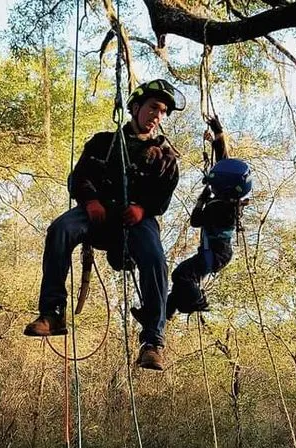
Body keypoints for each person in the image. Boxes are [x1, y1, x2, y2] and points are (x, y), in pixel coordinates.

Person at [23, 79, 185, 371]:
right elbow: (80, 177)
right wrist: (90, 200)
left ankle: (153, 341)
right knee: (60, 230)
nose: (157, 116)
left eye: (163, 112)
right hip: (97, 211)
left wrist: (142, 208)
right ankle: (53, 312)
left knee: (155, 259)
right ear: (136, 107)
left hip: (137, 220)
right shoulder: (103, 143)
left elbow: (162, 196)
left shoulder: (165, 157)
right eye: (153, 108)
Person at [166, 116, 252, 318]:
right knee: (181, 277)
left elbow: (195, 221)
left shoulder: (221, 208)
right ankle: (165, 312)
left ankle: (197, 301)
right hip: (216, 252)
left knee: (181, 275)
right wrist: (218, 133)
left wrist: (201, 200)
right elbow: (224, 163)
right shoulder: (229, 200)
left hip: (214, 254)